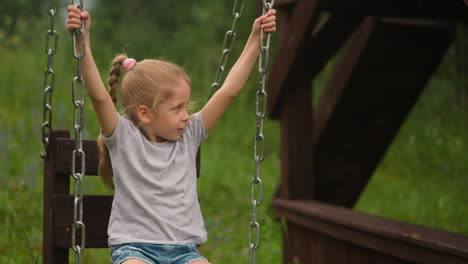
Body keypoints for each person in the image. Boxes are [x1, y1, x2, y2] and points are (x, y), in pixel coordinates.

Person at [66, 5, 276, 264]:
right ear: (145, 113)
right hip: (134, 251)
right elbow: (99, 96)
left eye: (186, 107)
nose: (186, 115)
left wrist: (255, 39)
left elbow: (228, 91)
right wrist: (82, 44)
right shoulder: (123, 138)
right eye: (177, 108)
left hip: (185, 253)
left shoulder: (190, 134)